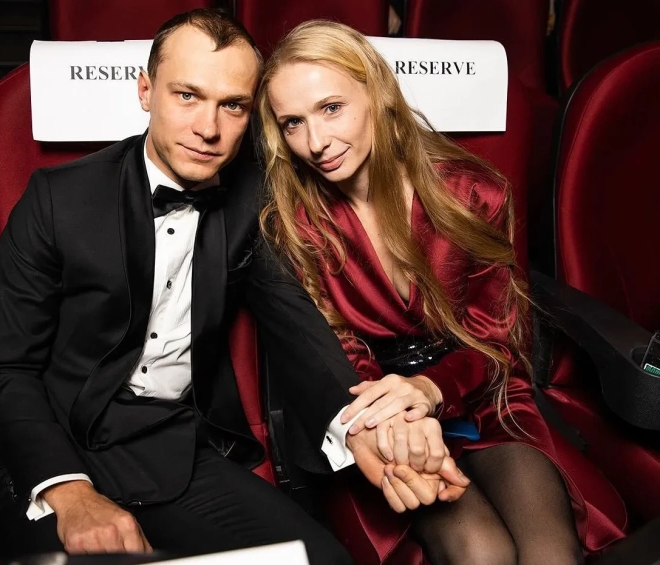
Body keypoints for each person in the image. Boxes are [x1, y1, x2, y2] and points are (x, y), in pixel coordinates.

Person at [0, 9, 468, 563]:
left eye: (232, 105)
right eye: (187, 96)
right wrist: (69, 492)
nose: (207, 129)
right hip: (49, 449)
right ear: (145, 91)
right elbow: (3, 369)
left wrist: (363, 432)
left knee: (320, 560)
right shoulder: (57, 198)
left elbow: (298, 327)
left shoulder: (253, 199)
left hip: (172, 448)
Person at [255, 20, 627, 565]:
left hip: (481, 391)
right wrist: (400, 416)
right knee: (482, 552)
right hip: (378, 411)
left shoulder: (472, 193)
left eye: (331, 108)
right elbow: (337, 353)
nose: (315, 142)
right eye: (293, 123)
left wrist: (432, 388)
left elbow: (499, 340)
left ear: (377, 93)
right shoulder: (296, 224)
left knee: (550, 553)